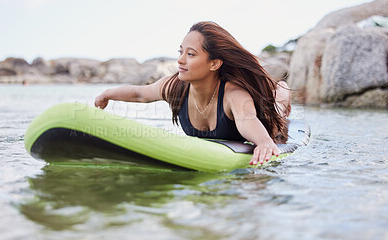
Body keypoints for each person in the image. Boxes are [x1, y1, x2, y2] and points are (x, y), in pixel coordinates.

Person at [95, 21, 291, 166]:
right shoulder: (175, 87)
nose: (180, 60)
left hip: (263, 114)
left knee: (277, 105)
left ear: (214, 63)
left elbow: (247, 118)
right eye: (180, 52)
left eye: (190, 54)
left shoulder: (233, 93)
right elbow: (140, 94)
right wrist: (108, 94)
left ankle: (281, 90)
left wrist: (264, 142)